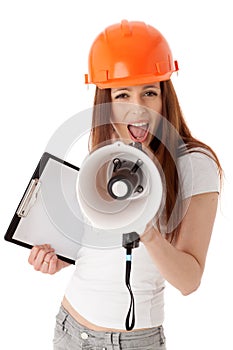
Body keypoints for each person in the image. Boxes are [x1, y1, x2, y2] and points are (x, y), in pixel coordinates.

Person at [28, 20, 222, 349]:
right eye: (123, 94)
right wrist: (63, 257)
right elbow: (98, 245)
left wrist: (146, 231)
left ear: (166, 97)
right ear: (106, 101)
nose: (138, 108)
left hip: (134, 342)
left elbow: (189, 281)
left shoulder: (194, 164)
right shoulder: (105, 155)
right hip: (70, 327)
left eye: (149, 92)